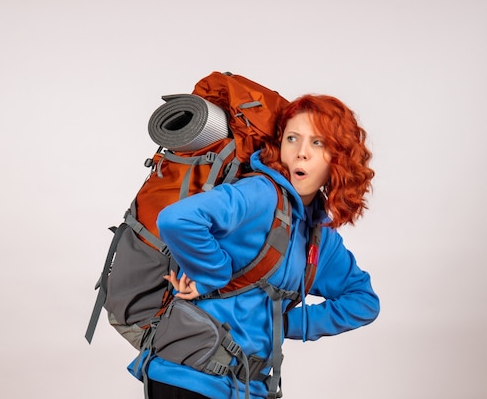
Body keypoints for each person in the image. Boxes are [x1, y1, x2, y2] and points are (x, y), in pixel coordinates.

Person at [130, 94, 380, 399]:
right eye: (292, 138)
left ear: (338, 158)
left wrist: (287, 323)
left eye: (318, 143)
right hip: (187, 378)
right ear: (279, 146)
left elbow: (363, 302)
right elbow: (177, 219)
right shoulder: (260, 193)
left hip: (249, 387)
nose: (301, 153)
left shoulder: (319, 236)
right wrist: (213, 275)